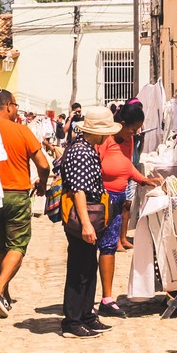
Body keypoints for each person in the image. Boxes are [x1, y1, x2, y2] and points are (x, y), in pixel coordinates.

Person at [0, 89, 50, 318]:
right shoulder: (22, 131)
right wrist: (42, 183)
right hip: (16, 194)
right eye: (15, 105)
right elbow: (43, 164)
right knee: (17, 246)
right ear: (8, 106)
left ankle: (3, 296)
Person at [96, 100, 161, 316]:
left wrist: (144, 180)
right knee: (90, 250)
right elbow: (96, 166)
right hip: (101, 200)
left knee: (108, 248)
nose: (134, 134)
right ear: (121, 123)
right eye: (132, 129)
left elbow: (126, 165)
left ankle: (107, 298)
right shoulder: (105, 139)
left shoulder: (128, 140)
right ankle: (85, 298)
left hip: (119, 197)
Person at [55, 110, 116, 337]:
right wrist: (86, 224)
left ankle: (86, 315)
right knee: (79, 268)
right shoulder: (81, 151)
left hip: (88, 215)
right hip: (84, 216)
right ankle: (72, 321)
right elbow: (79, 190)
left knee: (88, 266)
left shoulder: (83, 147)